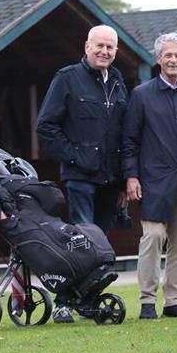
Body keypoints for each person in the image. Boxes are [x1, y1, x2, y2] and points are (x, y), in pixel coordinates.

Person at [36, 24, 128, 324]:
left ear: (116, 51)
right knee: (80, 241)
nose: (104, 51)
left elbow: (124, 132)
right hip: (80, 177)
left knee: (100, 244)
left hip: (109, 179)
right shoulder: (66, 79)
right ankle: (63, 302)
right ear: (86, 46)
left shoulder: (116, 81)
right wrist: (75, 158)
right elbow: (46, 127)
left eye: (110, 47)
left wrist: (126, 177)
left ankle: (85, 300)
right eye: (99, 45)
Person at [122, 33, 177, 320]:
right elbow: (130, 141)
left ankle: (173, 301)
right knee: (154, 237)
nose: (173, 60)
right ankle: (148, 301)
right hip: (153, 182)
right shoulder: (141, 95)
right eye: (168, 55)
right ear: (158, 59)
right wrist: (131, 176)